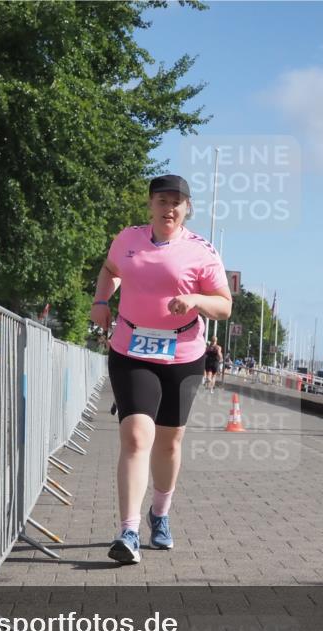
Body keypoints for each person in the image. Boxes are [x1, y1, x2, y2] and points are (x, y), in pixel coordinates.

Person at [90, 175, 232, 564]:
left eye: (176, 202)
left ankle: (160, 513)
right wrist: (101, 301)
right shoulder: (128, 239)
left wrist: (196, 300)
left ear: (187, 208)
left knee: (169, 442)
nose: (169, 208)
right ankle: (128, 531)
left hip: (183, 354)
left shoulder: (202, 251)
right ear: (150, 204)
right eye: (162, 201)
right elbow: (109, 269)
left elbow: (224, 305)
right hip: (131, 348)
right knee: (137, 436)